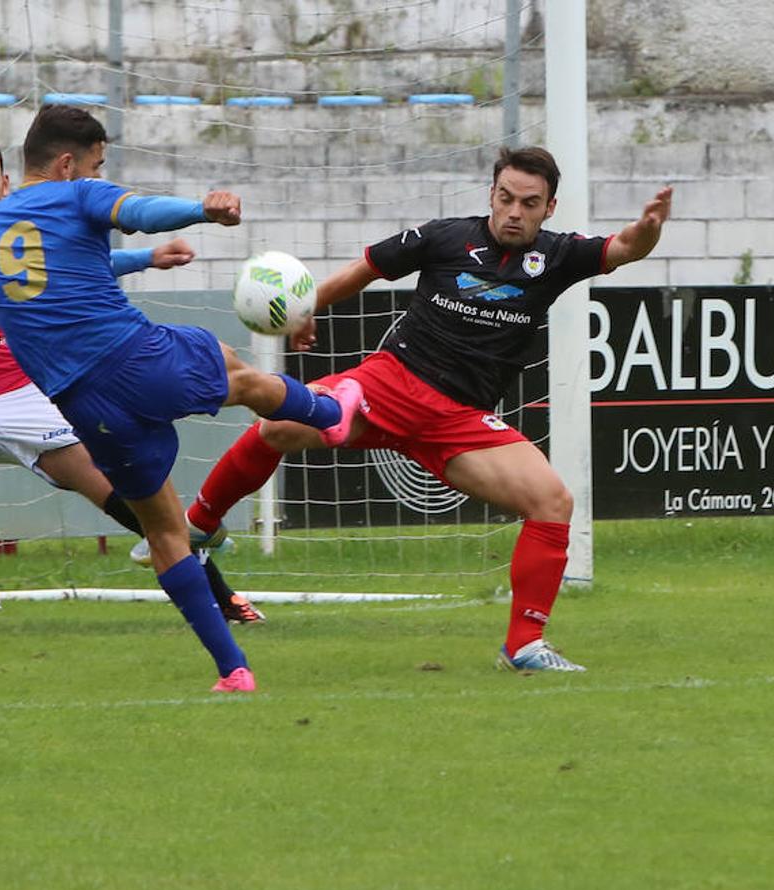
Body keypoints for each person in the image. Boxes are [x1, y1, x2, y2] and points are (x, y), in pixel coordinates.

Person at [182, 146, 673, 673]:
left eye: (529, 203)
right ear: (491, 194)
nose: (514, 211)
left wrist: (648, 228)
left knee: (552, 501)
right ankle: (199, 524)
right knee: (277, 427)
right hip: (392, 382)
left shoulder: (557, 256)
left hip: (459, 421)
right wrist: (305, 309)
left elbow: (624, 247)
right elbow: (365, 269)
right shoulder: (443, 236)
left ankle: (525, 646)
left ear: (548, 208)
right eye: (505, 198)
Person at [0, 105, 364, 693]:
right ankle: (335, 414)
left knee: (163, 533)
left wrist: (144, 261)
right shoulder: (78, 192)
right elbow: (136, 211)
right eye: (97, 163)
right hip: (131, 358)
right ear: (66, 163)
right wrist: (201, 209)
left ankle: (233, 670)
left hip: (80, 402)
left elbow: (75, 261)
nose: (98, 172)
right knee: (240, 374)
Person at [0, 131, 265, 633]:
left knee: (128, 492)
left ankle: (222, 596)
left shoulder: (16, 232)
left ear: (6, 182)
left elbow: (85, 263)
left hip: (29, 399)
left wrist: (147, 258)